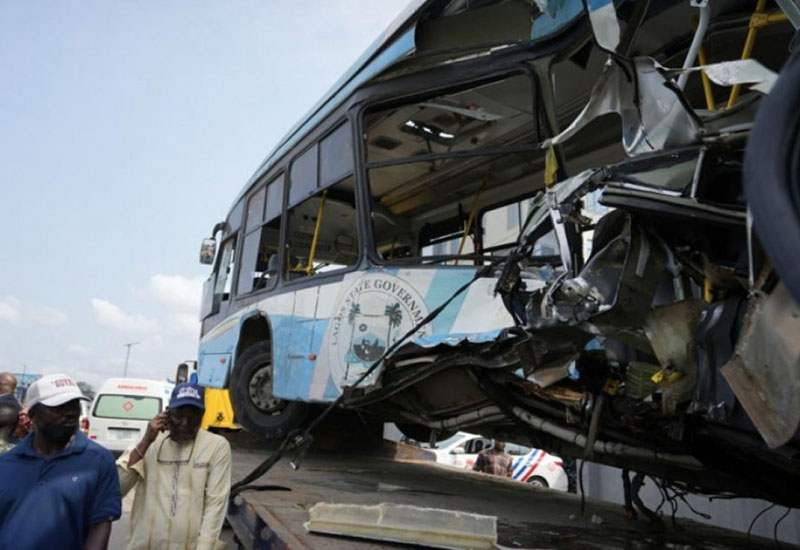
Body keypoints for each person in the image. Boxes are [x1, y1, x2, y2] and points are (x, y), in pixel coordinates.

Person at [0, 373, 121, 550]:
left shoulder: (98, 462)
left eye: (74, 405)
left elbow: (99, 526)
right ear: (33, 415)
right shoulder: (7, 463)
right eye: (59, 407)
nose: (71, 412)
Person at [117, 382, 231, 550]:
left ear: (203, 416)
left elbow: (216, 504)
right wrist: (146, 441)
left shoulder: (217, 446)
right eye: (179, 416)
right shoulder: (150, 442)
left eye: (193, 417)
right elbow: (118, 488)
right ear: (167, 413)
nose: (185, 423)